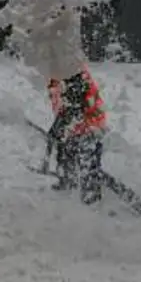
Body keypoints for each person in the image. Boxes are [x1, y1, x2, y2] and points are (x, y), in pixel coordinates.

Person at [44, 66, 107, 205]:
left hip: (89, 125)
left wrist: (61, 123)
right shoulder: (57, 74)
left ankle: (91, 196)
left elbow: (76, 105)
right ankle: (67, 182)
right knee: (65, 153)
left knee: (88, 160)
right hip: (72, 127)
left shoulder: (72, 73)